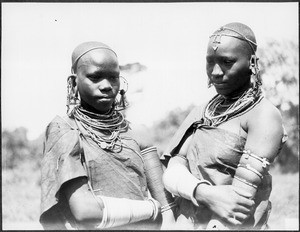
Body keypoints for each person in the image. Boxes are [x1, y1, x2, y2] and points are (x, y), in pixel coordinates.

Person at [162, 22, 287, 230]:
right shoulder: (201, 112)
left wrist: (187, 187)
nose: (216, 72)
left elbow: (235, 205)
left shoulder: (263, 116)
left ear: (252, 62)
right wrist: (202, 192)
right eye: (210, 62)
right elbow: (172, 168)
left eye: (227, 62)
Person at [40, 41, 175, 230]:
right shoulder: (64, 130)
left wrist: (159, 212)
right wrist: (151, 209)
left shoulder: (138, 133)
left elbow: (168, 211)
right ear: (73, 82)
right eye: (95, 77)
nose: (106, 86)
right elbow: (85, 212)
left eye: (113, 77)